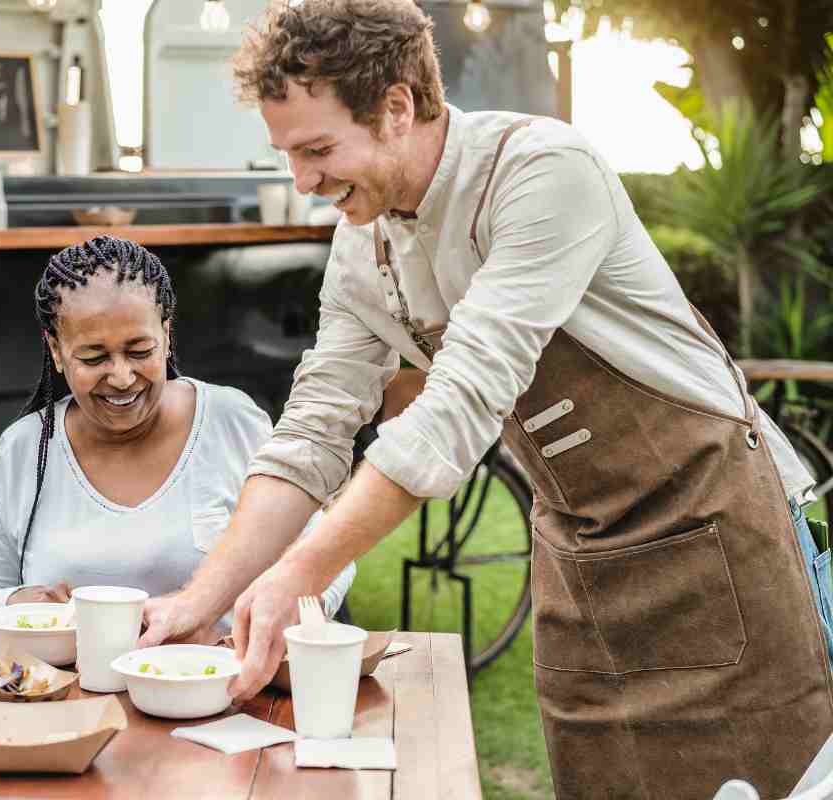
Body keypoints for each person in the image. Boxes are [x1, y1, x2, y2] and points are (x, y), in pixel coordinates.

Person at [136, 2, 833, 798]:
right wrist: (204, 596)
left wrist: (302, 570)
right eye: (286, 154)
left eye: (319, 149)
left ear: (397, 107)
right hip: (580, 553)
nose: (302, 181)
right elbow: (314, 430)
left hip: (712, 536)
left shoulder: (544, 172)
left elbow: (460, 401)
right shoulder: (362, 245)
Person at [0, 235, 353, 629]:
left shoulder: (229, 421)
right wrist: (16, 602)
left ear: (166, 333)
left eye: (140, 351)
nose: (122, 377)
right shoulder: (26, 447)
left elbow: (329, 559)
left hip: (217, 685)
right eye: (94, 357)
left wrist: (269, 621)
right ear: (55, 351)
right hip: (71, 693)